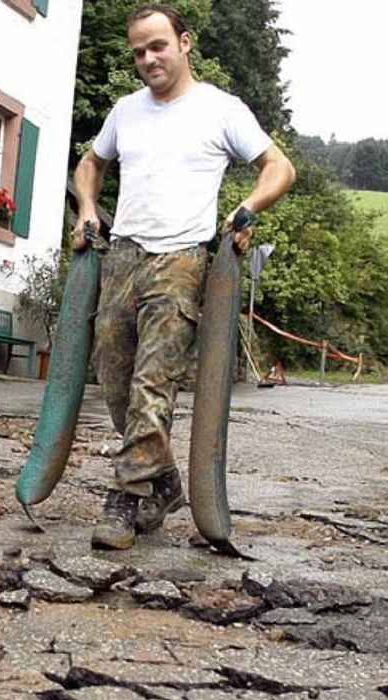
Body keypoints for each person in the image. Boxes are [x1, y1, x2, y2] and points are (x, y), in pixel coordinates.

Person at [73, 3, 296, 550]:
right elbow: (90, 164)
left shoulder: (221, 109)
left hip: (182, 260)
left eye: (157, 46)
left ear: (185, 43)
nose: (148, 58)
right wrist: (86, 207)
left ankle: (126, 499)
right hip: (122, 255)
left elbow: (279, 167)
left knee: (155, 381)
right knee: (115, 378)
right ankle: (165, 481)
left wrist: (247, 209)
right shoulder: (125, 111)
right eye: (138, 52)